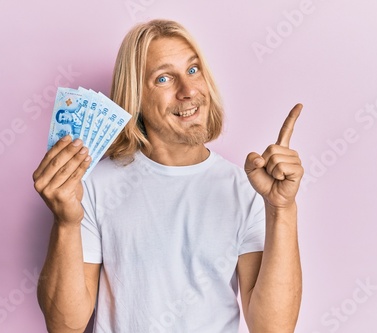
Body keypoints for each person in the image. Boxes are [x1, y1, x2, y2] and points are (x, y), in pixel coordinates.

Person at [33, 19, 303, 333]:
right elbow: (64, 326)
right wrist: (65, 222)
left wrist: (282, 209)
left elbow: (273, 328)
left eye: (193, 70)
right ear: (135, 100)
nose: (189, 91)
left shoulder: (246, 188)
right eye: (164, 78)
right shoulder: (93, 186)